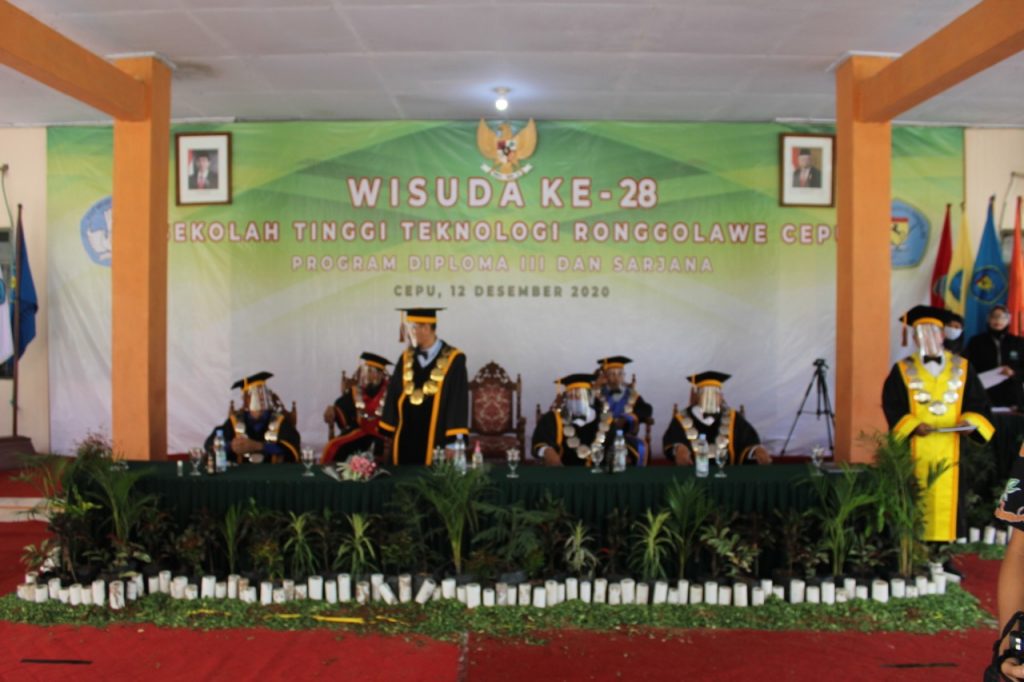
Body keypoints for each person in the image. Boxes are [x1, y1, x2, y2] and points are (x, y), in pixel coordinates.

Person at [882, 305, 994, 542]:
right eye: (921, 333)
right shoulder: (902, 369)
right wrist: (912, 425)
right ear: (914, 338)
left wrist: (970, 422)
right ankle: (914, 550)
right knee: (914, 496)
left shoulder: (963, 367)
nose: (928, 337)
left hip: (952, 447)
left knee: (948, 497)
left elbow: (978, 402)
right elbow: (892, 404)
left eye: (933, 332)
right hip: (915, 449)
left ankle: (944, 550)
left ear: (943, 335)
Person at [380, 308, 469, 465]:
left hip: (436, 436)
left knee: (431, 478)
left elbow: (457, 401)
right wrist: (388, 427)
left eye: (413, 328)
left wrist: (453, 441)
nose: (409, 334)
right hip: (405, 435)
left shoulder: (454, 359)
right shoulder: (406, 357)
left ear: (426, 328)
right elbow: (394, 392)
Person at [662, 371, 772, 466]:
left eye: (717, 393)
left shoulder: (734, 417)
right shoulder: (682, 418)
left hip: (730, 476)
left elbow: (748, 442)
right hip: (692, 477)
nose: (713, 398)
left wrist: (756, 450)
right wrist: (678, 449)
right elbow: (672, 441)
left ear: (721, 397)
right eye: (707, 394)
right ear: (698, 396)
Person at [205, 371, 300, 463]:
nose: (262, 398)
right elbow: (211, 444)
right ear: (246, 399)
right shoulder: (235, 421)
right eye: (257, 394)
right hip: (241, 472)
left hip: (273, 472)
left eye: (264, 393)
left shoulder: (279, 420)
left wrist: (259, 446)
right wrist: (231, 446)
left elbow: (292, 448)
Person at [321, 352, 391, 464]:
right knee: (333, 446)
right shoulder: (357, 390)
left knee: (382, 451)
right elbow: (342, 405)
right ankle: (329, 473)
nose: (368, 376)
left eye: (372, 372)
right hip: (360, 430)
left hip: (383, 433)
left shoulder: (391, 391)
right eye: (366, 371)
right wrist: (333, 409)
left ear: (381, 374)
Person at [532, 373, 613, 467]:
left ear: (590, 397)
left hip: (599, 473)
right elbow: (540, 442)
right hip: (563, 472)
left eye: (580, 395)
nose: (575, 400)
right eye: (570, 396)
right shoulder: (553, 418)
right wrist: (546, 450)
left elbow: (615, 447)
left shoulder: (606, 420)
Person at [594, 356, 653, 466]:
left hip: (625, 436)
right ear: (605, 377)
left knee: (641, 447)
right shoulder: (598, 394)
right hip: (601, 437)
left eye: (620, 374)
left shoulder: (631, 394)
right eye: (612, 374)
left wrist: (629, 417)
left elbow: (647, 409)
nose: (617, 378)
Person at [964, 304, 1024, 410]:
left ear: (1009, 320)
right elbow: (968, 367)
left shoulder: (1018, 342)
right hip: (984, 394)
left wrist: (1014, 372)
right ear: (988, 319)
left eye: (1002, 317)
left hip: (1012, 397)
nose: (998, 320)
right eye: (994, 316)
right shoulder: (976, 342)